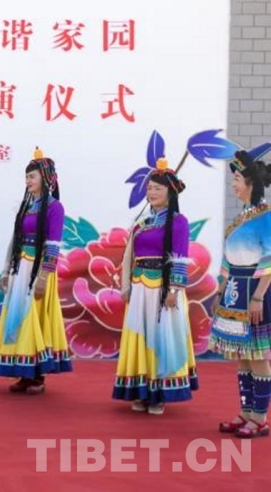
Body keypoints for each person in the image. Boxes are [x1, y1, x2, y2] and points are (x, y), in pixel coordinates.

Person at [113, 157, 197, 415]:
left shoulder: (178, 222)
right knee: (141, 336)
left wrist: (174, 290)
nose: (151, 192)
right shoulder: (141, 224)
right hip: (140, 289)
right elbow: (129, 256)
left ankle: (159, 394)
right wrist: (126, 286)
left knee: (162, 338)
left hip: (162, 290)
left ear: (170, 192)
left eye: (157, 188)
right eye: (149, 188)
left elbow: (180, 257)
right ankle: (141, 391)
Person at [0, 148, 72, 394]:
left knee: (35, 319)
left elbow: (53, 244)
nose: (28, 180)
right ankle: (23, 373)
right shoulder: (25, 206)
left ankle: (38, 376)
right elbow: (15, 240)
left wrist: (44, 276)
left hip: (39, 270)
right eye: (26, 176)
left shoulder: (55, 208)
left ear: (46, 179)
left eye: (32, 176)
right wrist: (6, 271)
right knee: (20, 320)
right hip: (20, 268)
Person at [212, 149, 271, 438]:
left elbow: (269, 260)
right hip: (235, 291)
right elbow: (227, 259)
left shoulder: (266, 217)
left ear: (250, 183)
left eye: (236, 179)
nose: (233, 184)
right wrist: (220, 290)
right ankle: (246, 412)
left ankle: (260, 417)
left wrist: (259, 296)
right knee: (243, 356)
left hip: (255, 291)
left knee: (258, 355)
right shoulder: (242, 218)